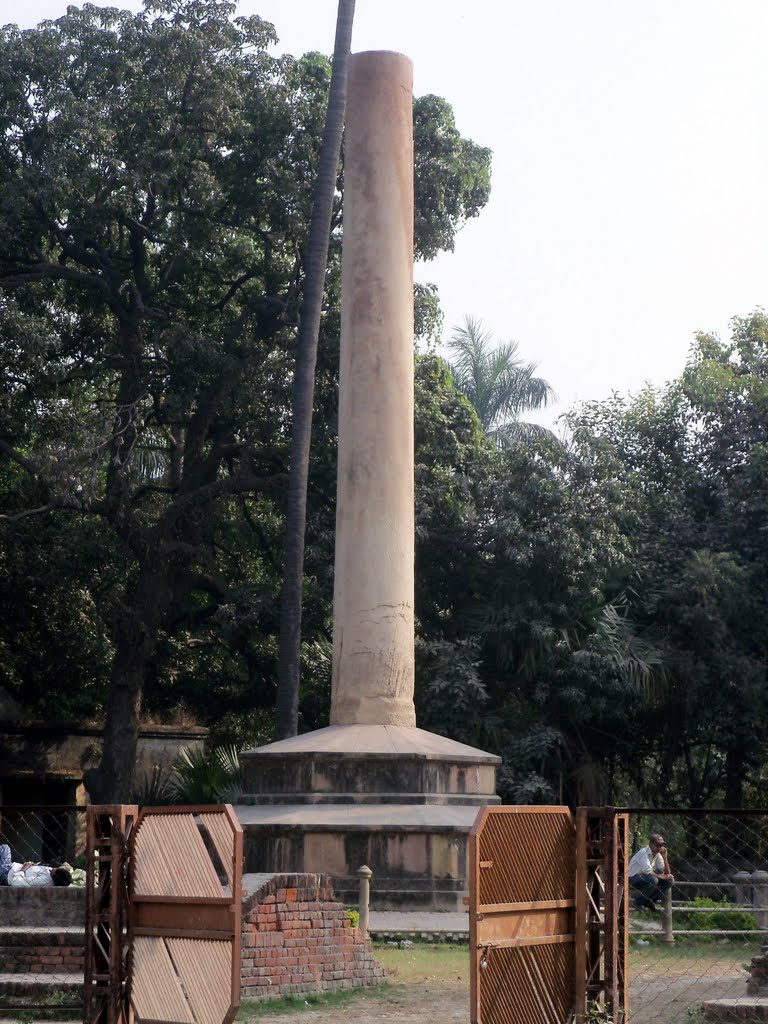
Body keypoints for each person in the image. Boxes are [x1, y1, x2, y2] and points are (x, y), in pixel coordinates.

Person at [628, 833, 674, 910]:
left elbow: (667, 873)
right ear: (650, 844)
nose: (659, 847)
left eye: (661, 845)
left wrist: (665, 858)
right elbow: (648, 871)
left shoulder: (658, 855)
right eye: (657, 845)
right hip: (633, 877)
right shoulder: (643, 852)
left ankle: (650, 902)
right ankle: (638, 902)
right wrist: (663, 877)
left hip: (646, 878)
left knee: (670, 881)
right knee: (653, 880)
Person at [4, 853, 72, 888]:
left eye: (56, 869)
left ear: (54, 876)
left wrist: (23, 869)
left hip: (6, 873)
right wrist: (31, 865)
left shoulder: (43, 881)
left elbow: (16, 882)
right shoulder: (50, 873)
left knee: (4, 848)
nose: (53, 868)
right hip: (11, 867)